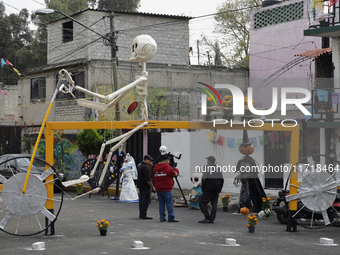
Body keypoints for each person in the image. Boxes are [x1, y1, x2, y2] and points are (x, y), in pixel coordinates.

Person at [153, 154, 179, 222]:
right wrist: (176, 169)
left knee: (161, 203)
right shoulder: (168, 168)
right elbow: (175, 174)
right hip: (167, 189)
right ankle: (171, 217)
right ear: (167, 160)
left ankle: (162, 217)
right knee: (169, 203)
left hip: (158, 188)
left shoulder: (155, 168)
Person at [198, 156, 224, 223]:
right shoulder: (218, 168)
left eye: (207, 160)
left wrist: (202, 187)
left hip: (208, 189)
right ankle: (212, 219)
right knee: (214, 204)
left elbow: (204, 179)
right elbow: (222, 179)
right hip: (216, 189)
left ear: (209, 161)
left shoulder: (207, 168)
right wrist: (220, 188)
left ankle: (207, 217)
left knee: (202, 202)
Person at [137, 155, 155, 219]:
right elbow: (148, 179)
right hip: (146, 186)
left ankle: (141, 213)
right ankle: (144, 214)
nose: (151, 162)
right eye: (150, 161)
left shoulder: (140, 166)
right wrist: (152, 187)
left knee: (141, 200)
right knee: (146, 201)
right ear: (146, 160)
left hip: (141, 186)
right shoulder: (146, 167)